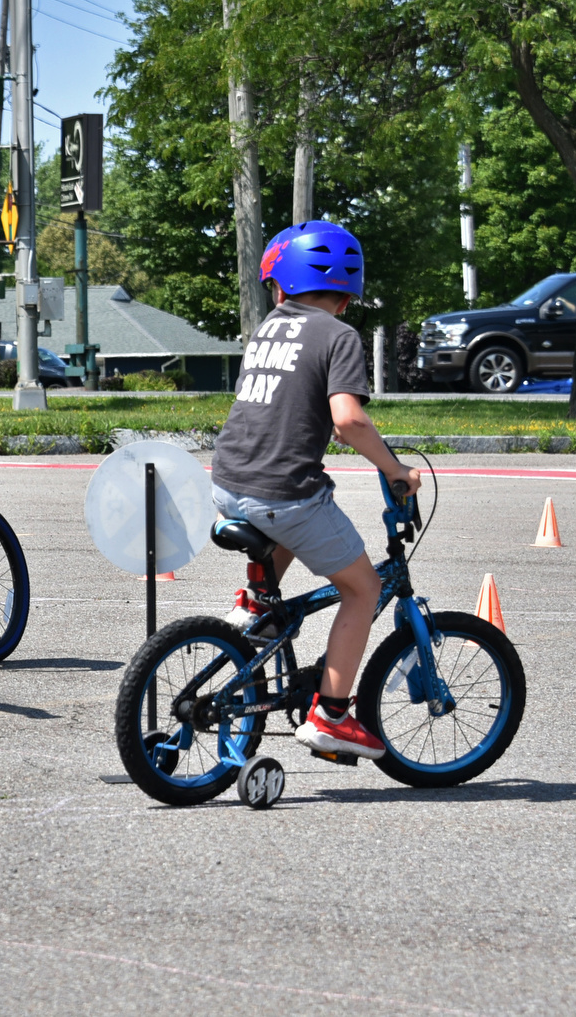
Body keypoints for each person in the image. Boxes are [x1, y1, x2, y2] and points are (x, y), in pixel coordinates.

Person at [211, 220, 420, 760]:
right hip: (282, 493)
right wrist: (396, 469)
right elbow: (348, 422)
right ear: (347, 294)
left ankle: (255, 605)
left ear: (281, 286)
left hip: (229, 483)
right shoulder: (338, 335)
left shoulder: (266, 329)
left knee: (288, 515)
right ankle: (331, 716)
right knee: (364, 588)